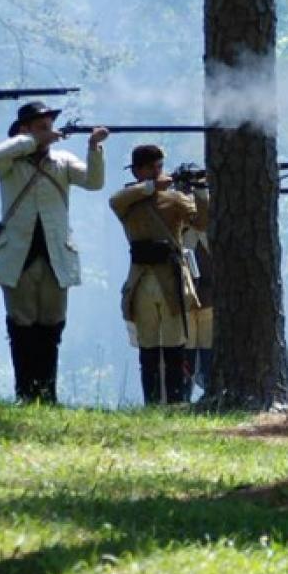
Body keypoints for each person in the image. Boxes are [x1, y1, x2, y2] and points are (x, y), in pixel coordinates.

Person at [0, 102, 107, 403]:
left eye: (49, 125)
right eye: (41, 125)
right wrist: (35, 139)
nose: (49, 130)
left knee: (51, 326)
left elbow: (94, 182)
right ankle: (24, 393)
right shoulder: (10, 161)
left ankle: (47, 394)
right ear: (24, 129)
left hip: (57, 255)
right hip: (18, 255)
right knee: (22, 326)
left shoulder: (63, 160)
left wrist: (94, 146)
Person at [110, 145, 209, 404]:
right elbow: (116, 200)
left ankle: (176, 403)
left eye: (159, 167)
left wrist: (199, 189)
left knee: (175, 347)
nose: (157, 172)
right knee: (149, 349)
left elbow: (201, 222)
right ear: (138, 170)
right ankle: (152, 404)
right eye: (151, 167)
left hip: (171, 279)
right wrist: (152, 187)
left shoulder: (175, 199)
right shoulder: (127, 199)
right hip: (141, 279)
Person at [183, 227, 214, 393]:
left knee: (208, 353)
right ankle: (184, 394)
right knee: (187, 352)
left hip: (209, 304)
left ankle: (210, 392)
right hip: (187, 304)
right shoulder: (182, 231)